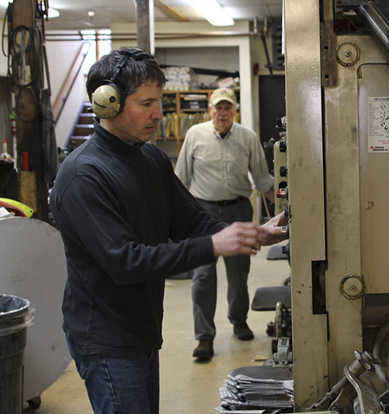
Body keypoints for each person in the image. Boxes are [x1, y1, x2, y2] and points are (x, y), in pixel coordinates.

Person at [50, 48, 288, 414]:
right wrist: (213, 246)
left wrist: (250, 234)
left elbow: (189, 219)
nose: (159, 115)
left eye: (158, 102)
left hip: (141, 327)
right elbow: (125, 261)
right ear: (107, 103)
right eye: (146, 104)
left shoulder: (148, 157)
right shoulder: (85, 175)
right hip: (106, 337)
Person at [175, 87, 275, 361]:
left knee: (238, 273)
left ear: (234, 110)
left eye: (227, 107)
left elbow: (263, 179)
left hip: (238, 209)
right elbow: (180, 180)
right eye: (218, 108)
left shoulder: (247, 137)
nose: (222, 113)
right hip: (203, 213)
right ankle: (204, 337)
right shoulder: (195, 135)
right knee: (203, 276)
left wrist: (283, 211)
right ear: (209, 110)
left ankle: (238, 320)